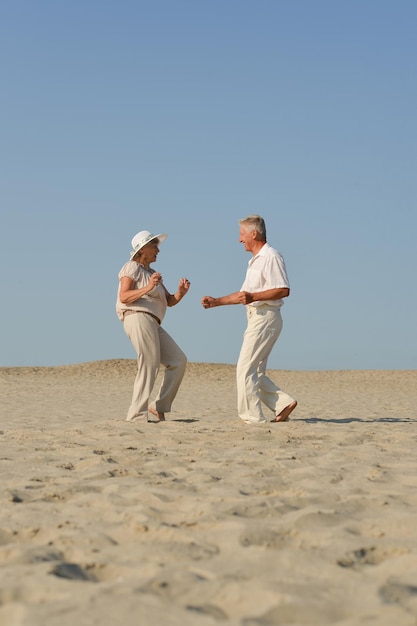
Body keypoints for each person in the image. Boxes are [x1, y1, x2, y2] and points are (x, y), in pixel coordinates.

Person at [201, 215, 297, 425]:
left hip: (266, 317)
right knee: (255, 371)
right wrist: (216, 301)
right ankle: (282, 403)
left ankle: (252, 418)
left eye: (242, 234)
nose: (239, 239)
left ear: (254, 234)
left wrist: (255, 297)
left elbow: (283, 289)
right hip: (257, 317)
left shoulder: (271, 256)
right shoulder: (254, 261)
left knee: (245, 369)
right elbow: (244, 294)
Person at [116, 230, 190, 422]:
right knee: (149, 362)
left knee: (178, 360)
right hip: (137, 317)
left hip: (154, 323)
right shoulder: (131, 267)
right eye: (154, 246)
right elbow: (124, 296)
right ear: (142, 250)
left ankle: (158, 406)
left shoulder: (151, 274)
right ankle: (136, 415)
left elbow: (169, 301)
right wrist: (148, 288)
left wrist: (180, 293)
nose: (158, 250)